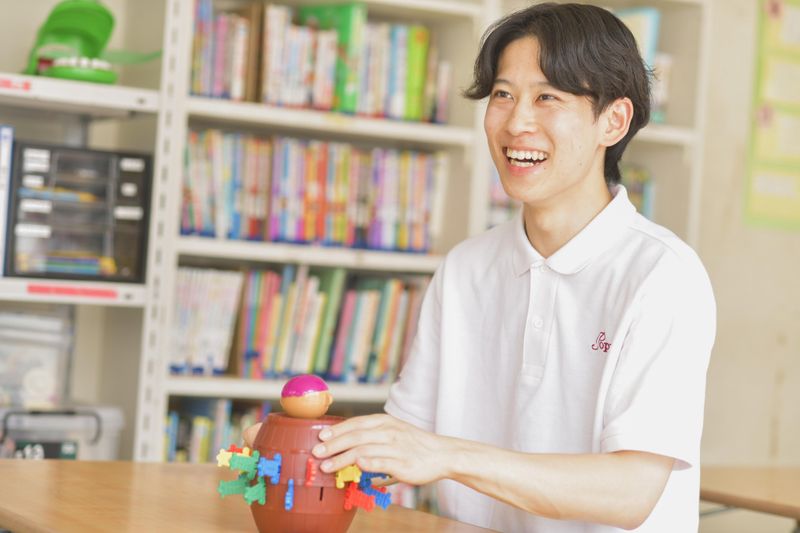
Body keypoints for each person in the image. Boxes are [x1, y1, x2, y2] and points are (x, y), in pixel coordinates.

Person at [245, 3, 716, 531]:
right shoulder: (465, 268)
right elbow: (404, 445)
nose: (517, 122)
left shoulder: (663, 276)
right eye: (503, 95)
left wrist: (448, 456)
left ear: (614, 120)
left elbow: (631, 492)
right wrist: (303, 447)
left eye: (547, 98)